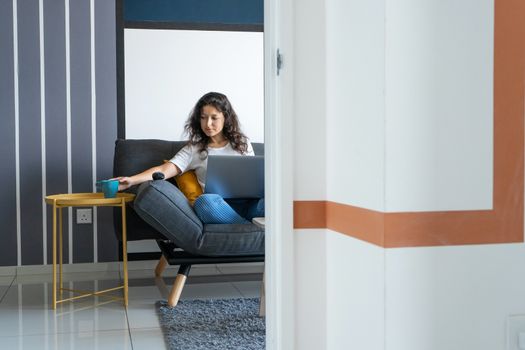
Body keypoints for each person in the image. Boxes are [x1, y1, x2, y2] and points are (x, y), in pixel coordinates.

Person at [115, 92, 264, 224]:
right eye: (203, 118)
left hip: (249, 204)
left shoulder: (242, 143)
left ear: (226, 118)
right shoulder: (194, 149)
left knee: (271, 201)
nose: (208, 124)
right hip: (217, 205)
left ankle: (243, 223)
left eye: (214, 118)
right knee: (203, 202)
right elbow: (163, 169)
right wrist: (130, 181)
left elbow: (251, 177)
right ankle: (245, 225)